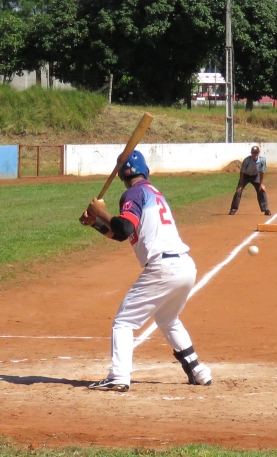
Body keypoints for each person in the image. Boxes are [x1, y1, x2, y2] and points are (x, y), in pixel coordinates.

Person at [79, 150, 212, 392]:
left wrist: (101, 213)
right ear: (145, 170)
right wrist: (97, 223)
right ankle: (197, 370)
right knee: (167, 318)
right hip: (184, 265)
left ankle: (118, 376)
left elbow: (125, 225)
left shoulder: (132, 193)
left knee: (124, 321)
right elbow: (122, 235)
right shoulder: (152, 192)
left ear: (121, 174)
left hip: (163, 268)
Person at [229, 145, 270, 216]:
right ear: (251, 153)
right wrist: (241, 185)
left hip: (256, 176)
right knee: (238, 191)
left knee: (261, 190)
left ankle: (266, 209)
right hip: (246, 176)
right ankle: (233, 209)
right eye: (253, 153)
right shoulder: (247, 160)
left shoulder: (262, 160)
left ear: (259, 153)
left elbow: (262, 172)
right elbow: (242, 172)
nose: (255, 154)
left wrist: (261, 184)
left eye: (256, 152)